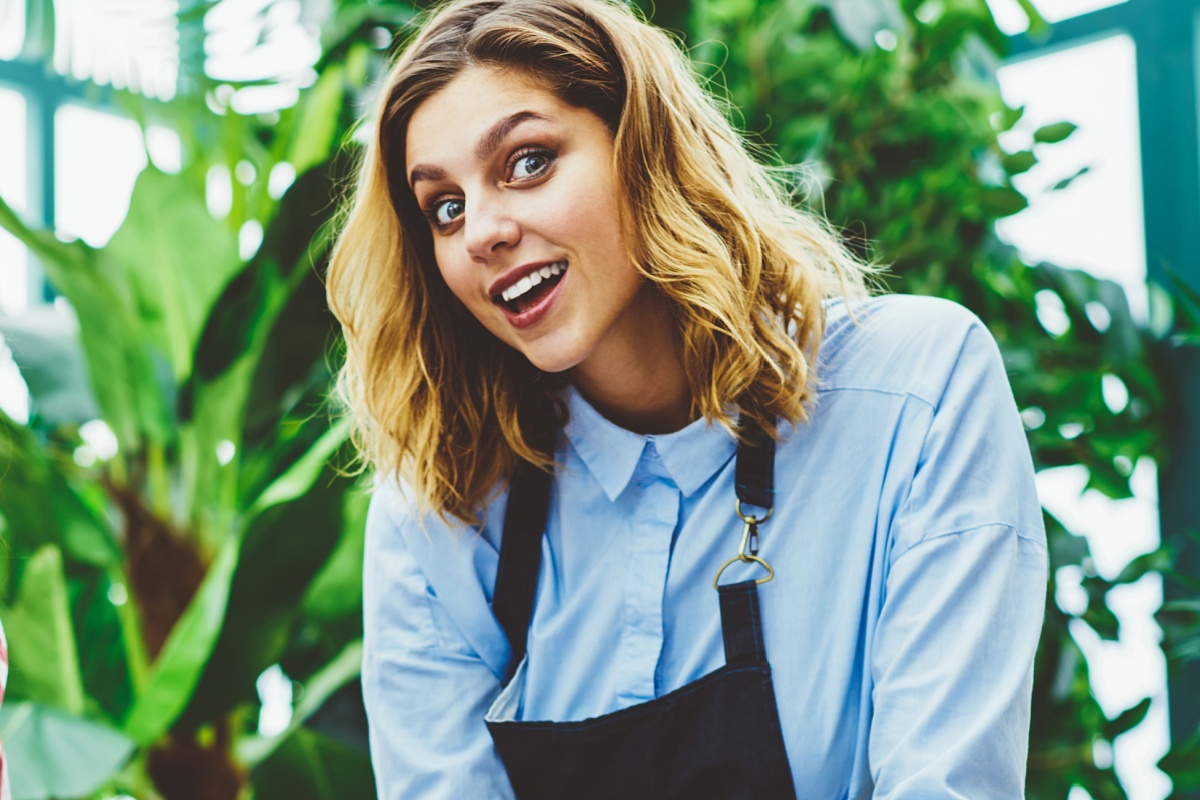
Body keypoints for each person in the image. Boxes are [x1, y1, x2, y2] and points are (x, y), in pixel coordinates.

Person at [325, 0, 1049, 796]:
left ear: (643, 149)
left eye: (528, 161)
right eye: (445, 207)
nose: (480, 234)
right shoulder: (443, 505)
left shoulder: (916, 392)